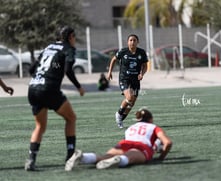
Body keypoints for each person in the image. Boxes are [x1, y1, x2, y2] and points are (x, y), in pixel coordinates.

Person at [24, 26, 85, 171]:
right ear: (70, 37)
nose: (75, 39)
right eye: (74, 36)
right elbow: (68, 70)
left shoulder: (48, 47)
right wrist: (79, 87)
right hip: (48, 89)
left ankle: (31, 160)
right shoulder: (68, 48)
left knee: (40, 126)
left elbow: (32, 70)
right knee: (71, 118)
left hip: (33, 88)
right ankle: (70, 157)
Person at [65, 108, 172, 171]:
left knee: (104, 157)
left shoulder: (131, 127)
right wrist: (161, 157)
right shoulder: (154, 127)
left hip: (124, 143)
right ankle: (119, 160)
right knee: (129, 158)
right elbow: (167, 142)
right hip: (141, 146)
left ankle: (83, 157)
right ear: (151, 119)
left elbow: (128, 140)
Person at [107, 34, 148, 128]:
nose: (132, 42)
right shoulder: (123, 52)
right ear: (127, 42)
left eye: (134, 40)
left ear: (137, 42)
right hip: (124, 78)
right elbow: (114, 59)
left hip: (135, 80)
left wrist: (142, 74)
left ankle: (121, 118)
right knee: (129, 98)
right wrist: (110, 72)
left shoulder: (141, 52)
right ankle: (118, 113)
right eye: (131, 40)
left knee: (132, 102)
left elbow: (145, 65)